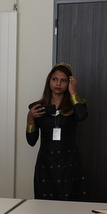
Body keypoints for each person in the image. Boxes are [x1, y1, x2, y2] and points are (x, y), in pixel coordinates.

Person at [25, 62, 88, 200]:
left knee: (70, 207)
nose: (58, 83)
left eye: (63, 80)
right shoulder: (37, 107)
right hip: (45, 166)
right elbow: (31, 142)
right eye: (54, 79)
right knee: (45, 209)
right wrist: (30, 119)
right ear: (49, 81)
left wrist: (73, 92)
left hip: (69, 164)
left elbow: (82, 116)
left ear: (69, 82)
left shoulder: (76, 106)